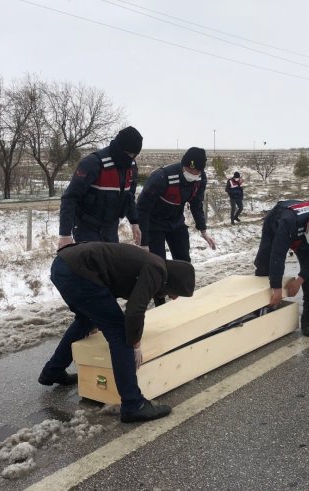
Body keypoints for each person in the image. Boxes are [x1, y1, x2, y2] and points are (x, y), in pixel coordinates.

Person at [38, 242, 195, 423]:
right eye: (173, 293)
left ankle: (53, 371)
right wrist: (135, 343)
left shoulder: (154, 264)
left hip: (65, 265)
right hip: (77, 271)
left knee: (85, 321)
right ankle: (133, 404)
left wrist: (96, 315)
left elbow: (112, 279)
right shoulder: (157, 270)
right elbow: (134, 312)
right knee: (120, 333)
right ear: (174, 282)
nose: (171, 296)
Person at [253, 200, 309, 338]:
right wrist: (277, 289)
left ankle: (308, 320)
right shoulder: (289, 222)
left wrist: (300, 279)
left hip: (302, 234)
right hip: (278, 221)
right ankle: (260, 307)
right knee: (265, 264)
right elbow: (278, 254)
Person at [137, 147, 217, 293]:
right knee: (157, 264)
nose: (193, 174)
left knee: (183, 261)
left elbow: (196, 204)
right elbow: (142, 209)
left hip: (176, 222)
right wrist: (144, 242)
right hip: (154, 224)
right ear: (183, 166)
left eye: (197, 171)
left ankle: (180, 293)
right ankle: (159, 297)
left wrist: (203, 230)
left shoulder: (201, 179)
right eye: (189, 169)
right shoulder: (162, 177)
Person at [57, 126, 143, 248]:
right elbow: (70, 198)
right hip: (86, 228)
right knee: (92, 265)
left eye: (134, 155)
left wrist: (135, 222)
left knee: (109, 264)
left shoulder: (131, 167)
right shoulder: (92, 163)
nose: (131, 158)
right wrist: (64, 234)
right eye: (128, 154)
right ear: (119, 148)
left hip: (111, 228)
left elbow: (129, 197)